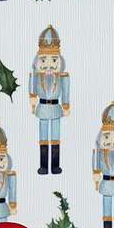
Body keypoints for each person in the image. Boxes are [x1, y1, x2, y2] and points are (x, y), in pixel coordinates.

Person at [29, 25, 70, 175]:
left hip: (56, 108)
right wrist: (32, 97)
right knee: (43, 138)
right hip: (42, 107)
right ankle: (44, 165)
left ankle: (55, 165)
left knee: (55, 138)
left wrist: (66, 106)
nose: (48, 66)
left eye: (53, 60)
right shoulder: (36, 76)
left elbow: (65, 91)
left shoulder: (62, 77)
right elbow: (32, 88)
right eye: (43, 60)